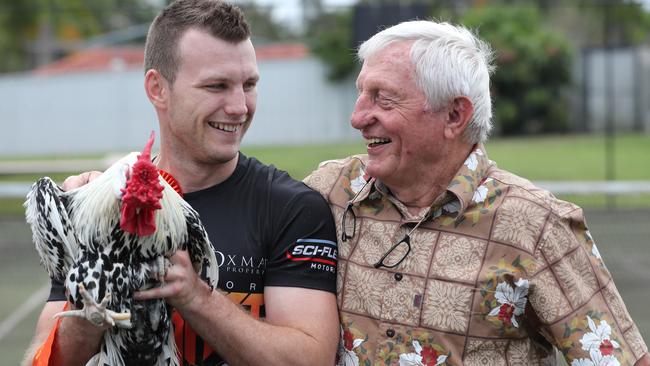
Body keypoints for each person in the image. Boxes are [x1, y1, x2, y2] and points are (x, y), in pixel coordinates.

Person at [304, 20, 650, 365]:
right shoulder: (330, 192)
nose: (357, 117)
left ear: (455, 115)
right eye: (361, 93)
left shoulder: (535, 224)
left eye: (383, 99)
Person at [24, 1, 339, 365]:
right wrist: (92, 302)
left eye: (249, 85)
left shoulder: (291, 208)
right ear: (157, 88)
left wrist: (196, 297)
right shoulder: (101, 212)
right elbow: (47, 358)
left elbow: (310, 360)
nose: (239, 106)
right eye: (216, 86)